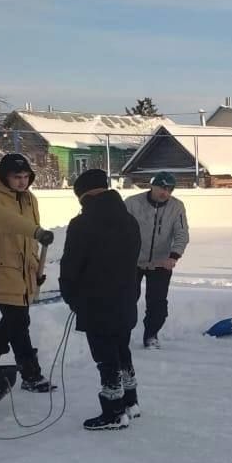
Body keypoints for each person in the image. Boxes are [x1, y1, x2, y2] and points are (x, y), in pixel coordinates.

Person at [60, 169, 143, 430]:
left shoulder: (82, 224)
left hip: (96, 301)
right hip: (126, 297)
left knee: (105, 357)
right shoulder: (130, 220)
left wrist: (71, 295)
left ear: (83, 195)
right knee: (122, 350)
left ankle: (113, 411)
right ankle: (131, 402)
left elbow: (71, 266)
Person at [0, 153, 56, 391]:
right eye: (16, 177)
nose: (22, 181)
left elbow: (30, 241)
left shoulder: (29, 198)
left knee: (17, 319)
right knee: (18, 322)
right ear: (4, 176)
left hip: (24, 271)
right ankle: (30, 375)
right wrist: (36, 231)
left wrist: (36, 267)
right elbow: (3, 220)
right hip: (0, 268)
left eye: (26, 176)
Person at [124, 171, 189, 349]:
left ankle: (151, 335)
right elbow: (118, 229)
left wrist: (173, 256)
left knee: (158, 303)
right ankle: (122, 335)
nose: (165, 193)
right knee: (127, 300)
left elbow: (182, 233)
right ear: (152, 186)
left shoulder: (177, 207)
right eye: (161, 187)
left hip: (161, 262)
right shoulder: (132, 203)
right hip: (133, 261)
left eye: (169, 189)